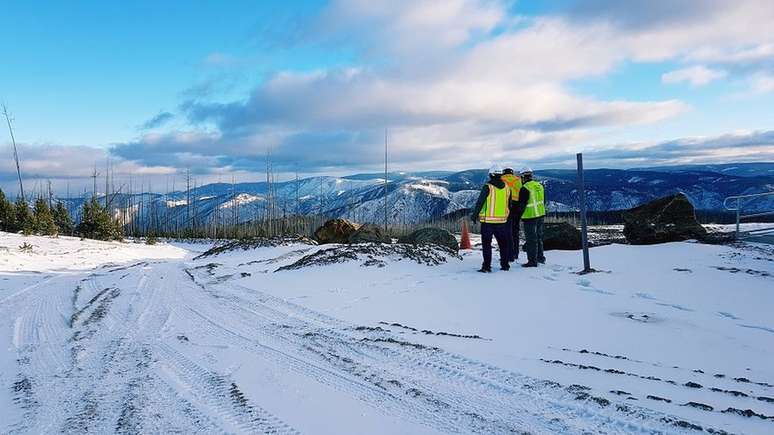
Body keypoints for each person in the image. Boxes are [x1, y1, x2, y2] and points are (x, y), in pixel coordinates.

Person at [471, 166, 512, 272]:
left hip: (488, 222)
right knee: (503, 244)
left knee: (487, 245)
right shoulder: (507, 188)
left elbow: (480, 202)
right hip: (502, 221)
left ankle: (486, 267)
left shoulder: (488, 187)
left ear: (491, 175)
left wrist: (474, 215)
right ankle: (505, 265)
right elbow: (509, 204)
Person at [520, 168, 546, 267]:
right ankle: (541, 258)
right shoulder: (539, 185)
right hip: (540, 214)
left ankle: (532, 261)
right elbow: (544, 201)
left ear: (523, 177)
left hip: (529, 216)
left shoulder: (525, 188)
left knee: (531, 240)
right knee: (539, 238)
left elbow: (521, 205)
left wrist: (517, 216)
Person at [501, 167, 523, 262]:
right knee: (515, 231)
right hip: (516, 207)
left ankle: (507, 254)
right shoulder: (518, 180)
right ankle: (515, 253)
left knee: (505, 232)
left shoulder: (501, 180)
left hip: (505, 206)